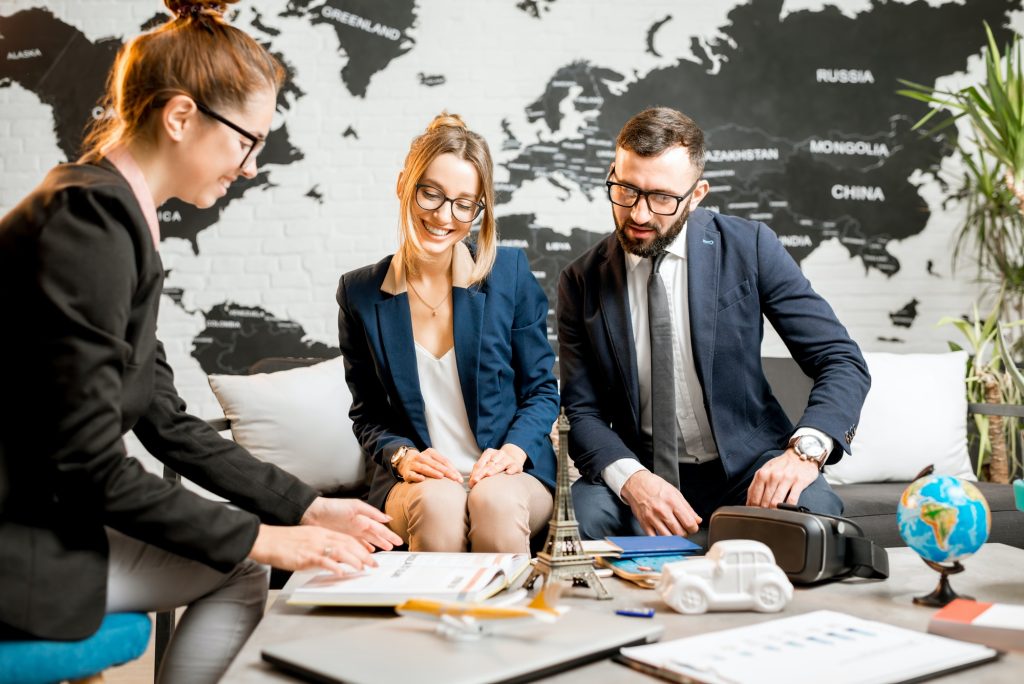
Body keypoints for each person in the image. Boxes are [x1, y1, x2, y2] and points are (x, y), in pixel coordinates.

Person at [0, 2, 401, 682]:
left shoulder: (112, 216)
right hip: (20, 547)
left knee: (245, 557)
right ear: (181, 116)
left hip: (34, 519)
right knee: (245, 564)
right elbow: (88, 462)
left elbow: (163, 418)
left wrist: (306, 507)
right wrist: (271, 539)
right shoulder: (88, 223)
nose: (249, 167)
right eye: (247, 141)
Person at [558, 107, 871, 541]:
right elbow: (582, 410)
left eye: (662, 198)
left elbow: (840, 359)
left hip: (750, 468)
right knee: (580, 524)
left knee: (814, 525)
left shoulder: (751, 246)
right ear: (613, 172)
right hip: (643, 470)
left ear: (698, 193)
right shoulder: (581, 280)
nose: (640, 215)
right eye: (626, 190)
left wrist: (805, 452)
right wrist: (632, 481)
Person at [337, 113, 557, 553]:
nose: (444, 216)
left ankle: (505, 622)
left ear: (479, 210)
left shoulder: (509, 275)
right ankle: (435, 623)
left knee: (492, 501)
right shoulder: (359, 293)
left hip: (509, 475)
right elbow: (367, 413)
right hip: (416, 483)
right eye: (431, 194)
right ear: (404, 184)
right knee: (439, 505)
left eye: (463, 203)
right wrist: (403, 455)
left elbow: (541, 390)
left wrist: (514, 451)